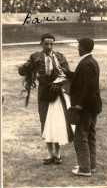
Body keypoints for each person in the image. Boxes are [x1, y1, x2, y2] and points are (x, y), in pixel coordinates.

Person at [18, 33, 74, 165]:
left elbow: (67, 74)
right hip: (44, 93)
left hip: (56, 93)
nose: (49, 46)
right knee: (45, 121)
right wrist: (25, 67)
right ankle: (50, 154)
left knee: (57, 122)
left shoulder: (60, 57)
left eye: (51, 44)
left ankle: (57, 153)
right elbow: (22, 72)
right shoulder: (35, 57)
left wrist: (58, 84)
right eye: (46, 44)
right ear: (41, 44)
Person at [62, 38, 102, 176]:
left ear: (83, 48)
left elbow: (89, 87)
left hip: (86, 107)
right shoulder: (90, 61)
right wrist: (67, 72)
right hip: (92, 106)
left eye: (79, 46)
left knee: (80, 137)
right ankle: (91, 165)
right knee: (90, 135)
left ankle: (84, 169)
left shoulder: (87, 63)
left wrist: (79, 105)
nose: (77, 48)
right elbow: (82, 79)